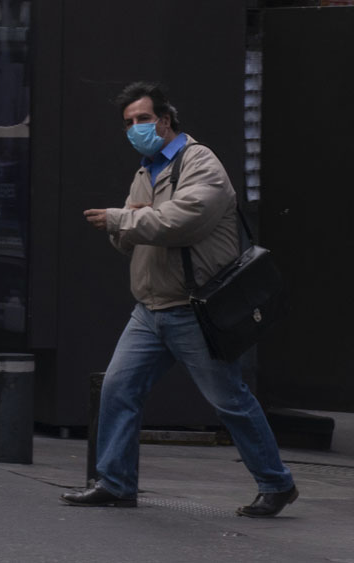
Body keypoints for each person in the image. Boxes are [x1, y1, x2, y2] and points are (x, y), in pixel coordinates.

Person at [65, 82, 296, 518]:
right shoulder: (145, 172)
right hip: (150, 308)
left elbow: (182, 221)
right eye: (128, 122)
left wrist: (122, 218)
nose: (135, 128)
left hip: (195, 309)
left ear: (165, 120)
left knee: (229, 400)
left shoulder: (200, 162)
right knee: (118, 389)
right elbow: (129, 238)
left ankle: (276, 483)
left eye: (143, 119)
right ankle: (115, 483)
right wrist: (126, 224)